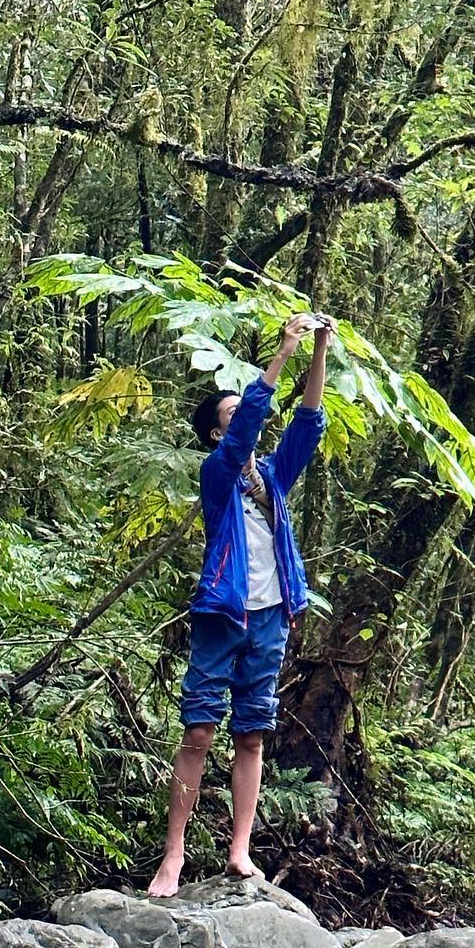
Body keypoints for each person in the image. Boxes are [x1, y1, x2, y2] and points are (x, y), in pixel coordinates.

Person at [147, 313, 333, 899]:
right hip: (222, 615)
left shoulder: (275, 478)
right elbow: (249, 423)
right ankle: (173, 856)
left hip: (273, 614)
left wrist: (319, 348)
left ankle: (239, 850)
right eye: (231, 415)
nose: (247, 419)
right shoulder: (216, 472)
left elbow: (308, 421)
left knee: (251, 734)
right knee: (198, 732)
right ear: (215, 435)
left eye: (242, 411)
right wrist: (281, 352)